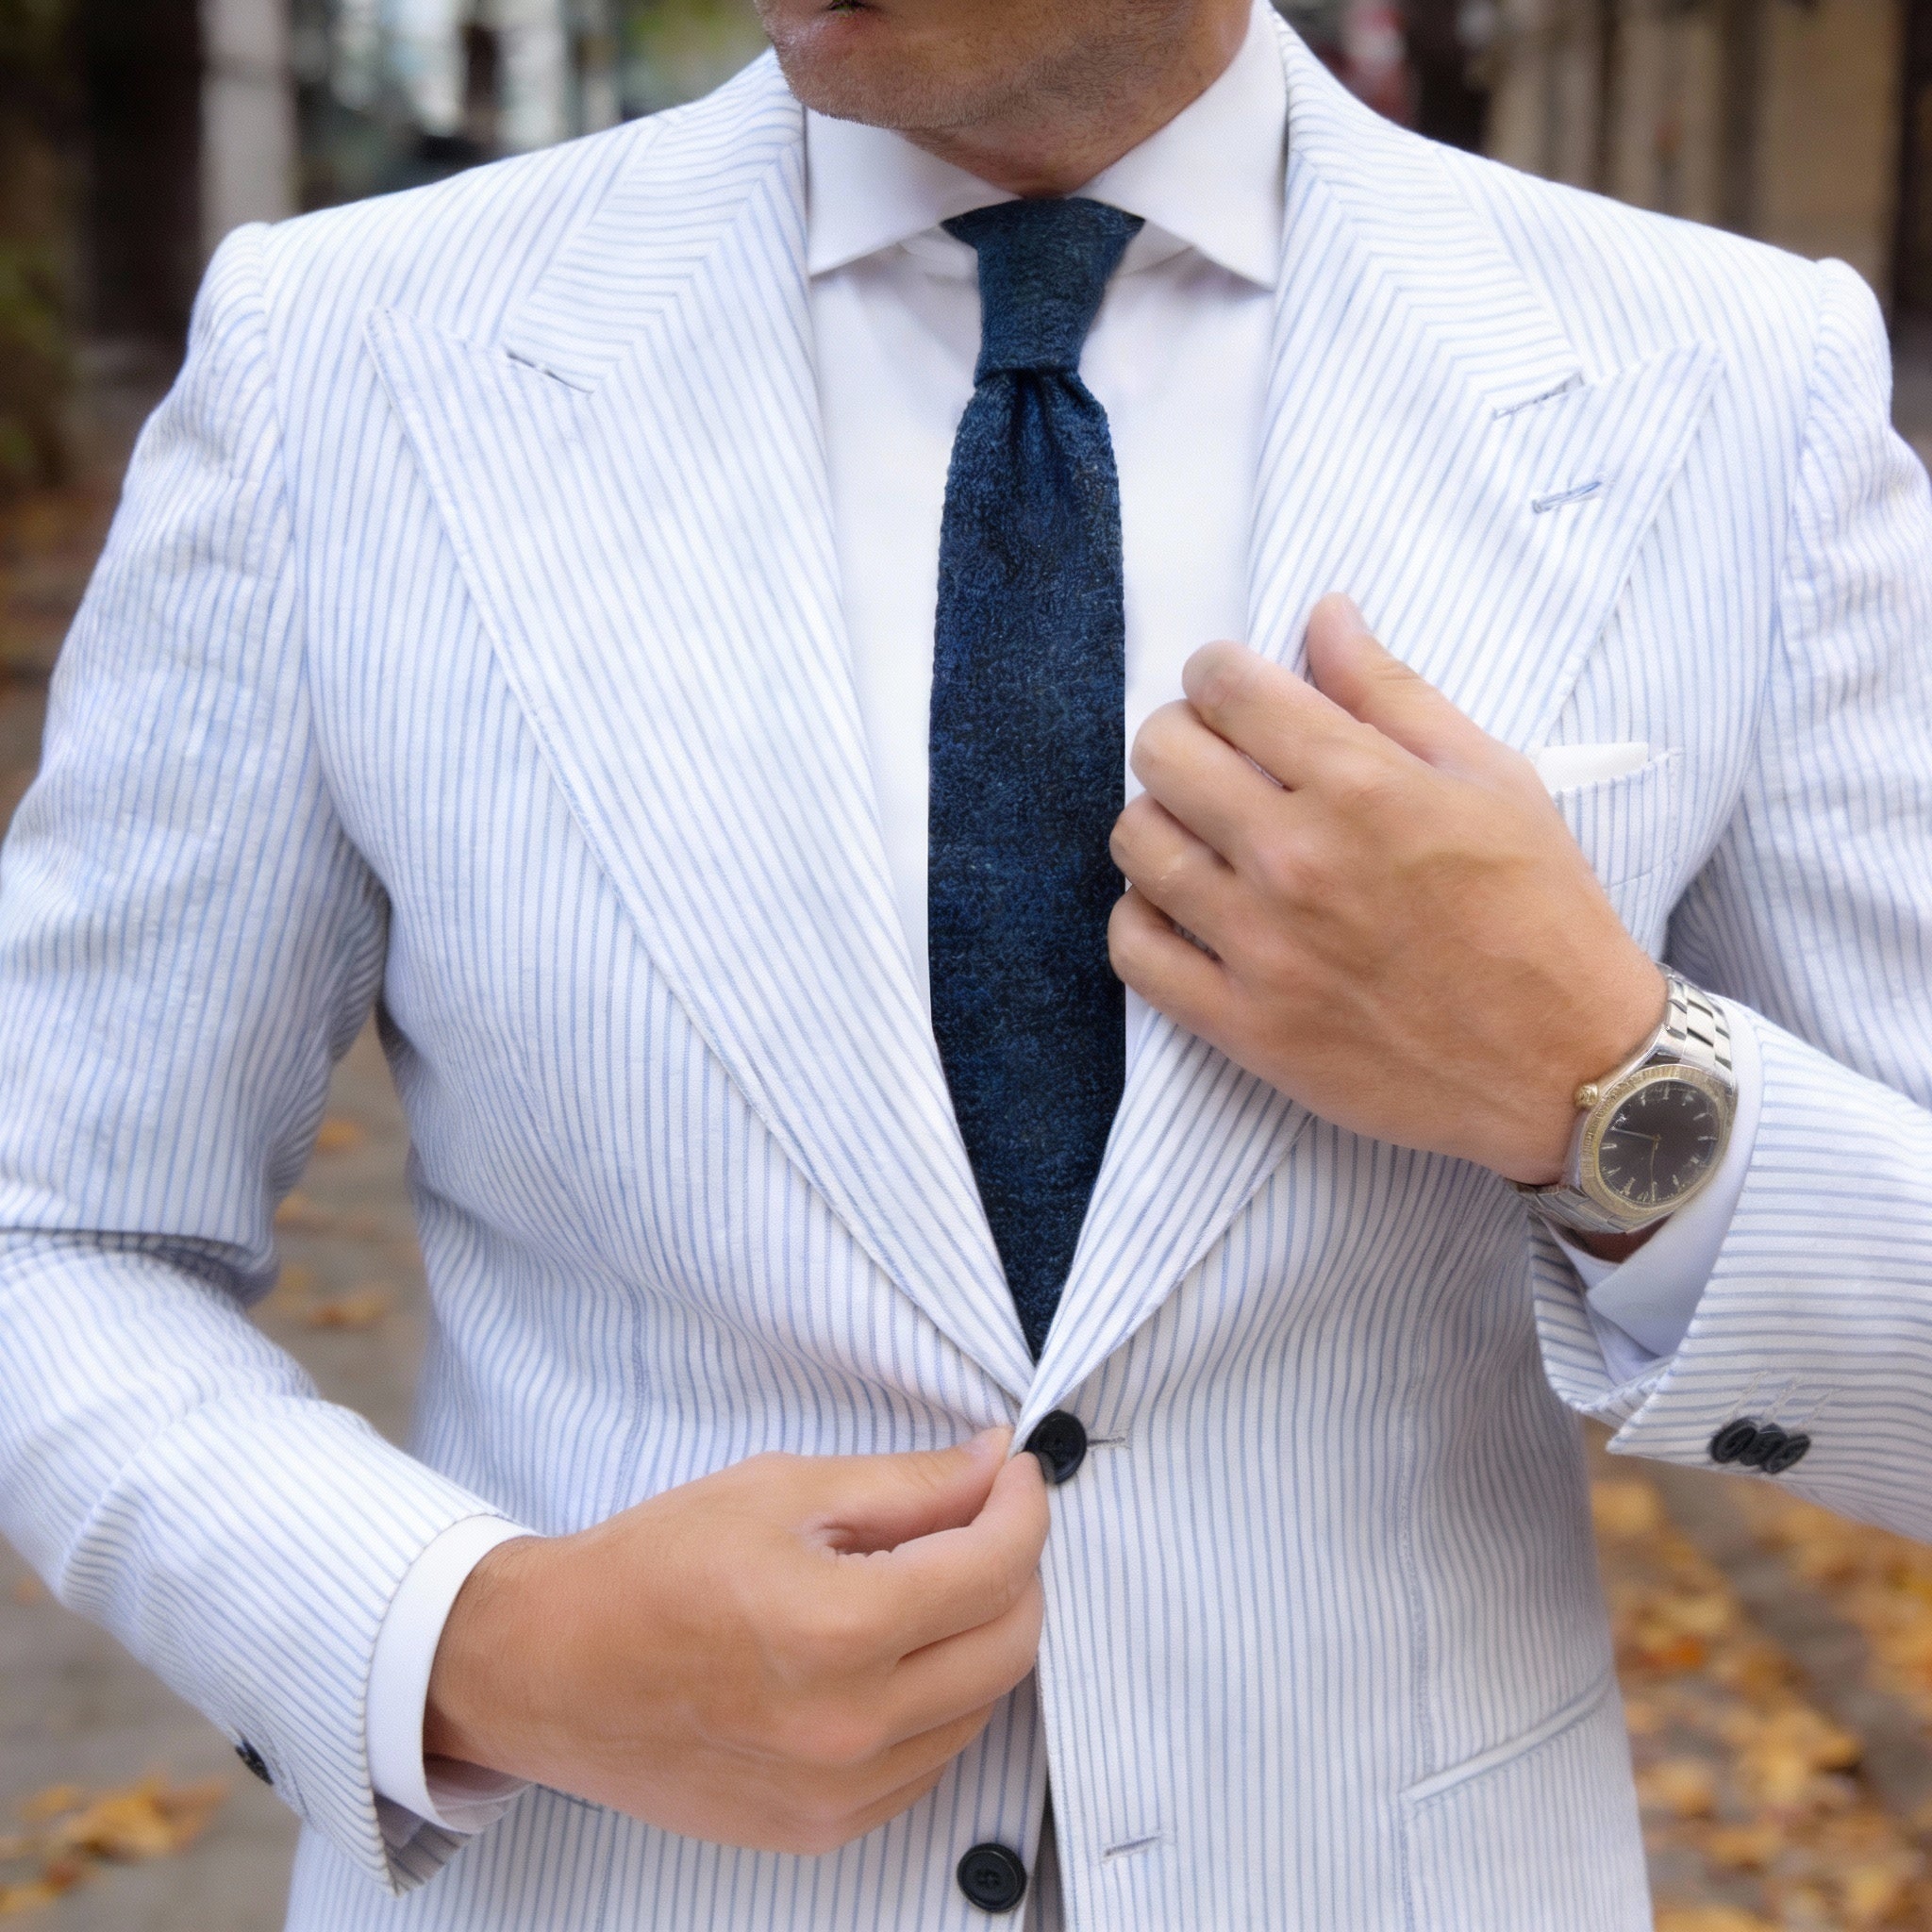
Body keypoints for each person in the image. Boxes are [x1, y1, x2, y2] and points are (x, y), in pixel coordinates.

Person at [0, 0, 1928, 1924]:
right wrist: (472, 1643)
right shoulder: (341, 358)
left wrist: (1600, 1081)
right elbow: (54, 1225)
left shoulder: (1730, 385)